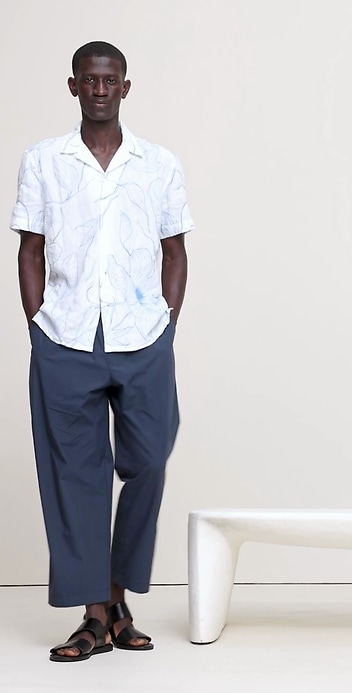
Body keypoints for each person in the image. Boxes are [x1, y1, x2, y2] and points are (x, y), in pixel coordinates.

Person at [11, 40, 195, 662]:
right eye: (88, 80)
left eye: (109, 80)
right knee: (74, 473)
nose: (99, 89)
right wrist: (38, 325)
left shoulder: (159, 164)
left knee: (149, 457)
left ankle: (117, 593)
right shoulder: (43, 160)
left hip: (141, 335)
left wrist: (167, 323)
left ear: (125, 87)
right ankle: (96, 615)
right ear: (73, 86)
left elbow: (176, 251)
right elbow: (30, 249)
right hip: (65, 337)